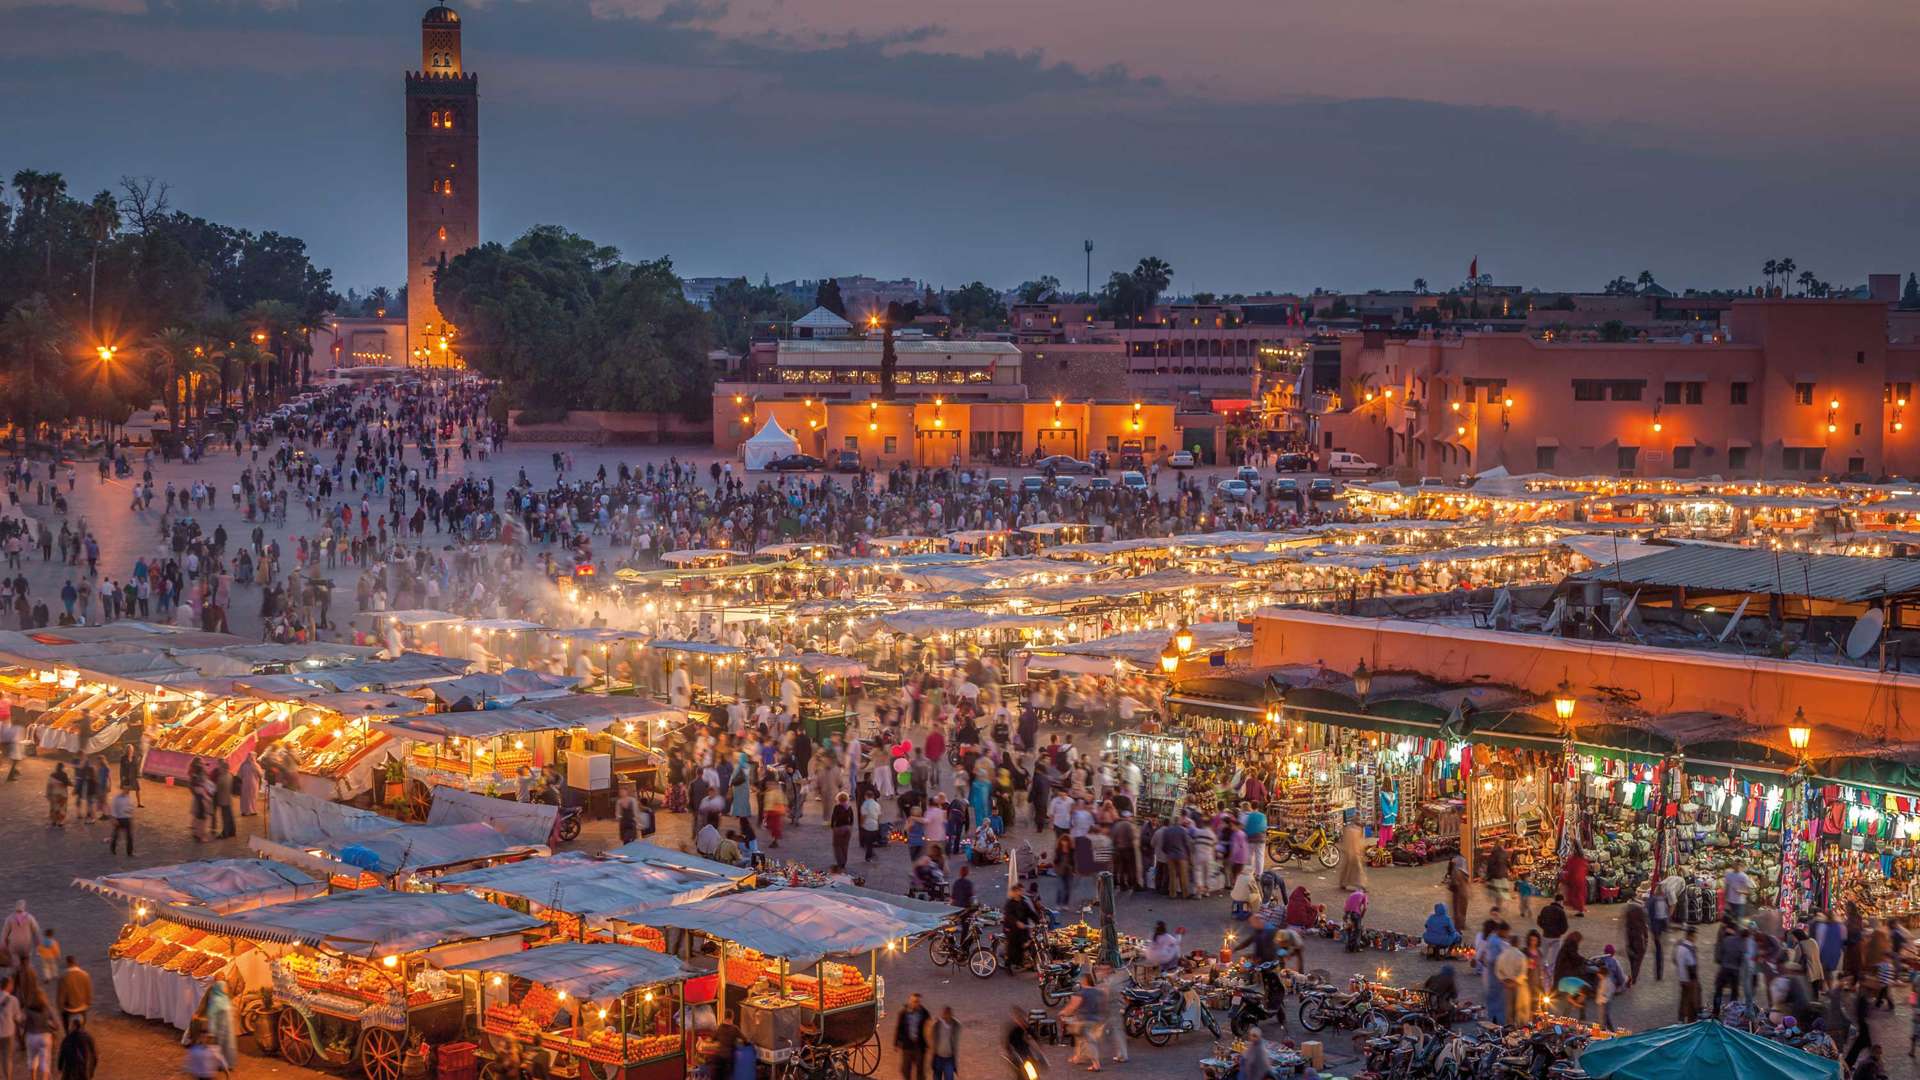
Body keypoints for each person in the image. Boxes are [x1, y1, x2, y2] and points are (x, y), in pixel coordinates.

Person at [1058, 972, 1105, 1071]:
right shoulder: (1098, 991)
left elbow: (1073, 1006)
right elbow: (1103, 1004)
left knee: (1088, 1042)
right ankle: (1078, 1058)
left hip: (1084, 1020)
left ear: (1084, 981)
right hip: (1096, 1020)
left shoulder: (1081, 992)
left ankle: (1096, 1064)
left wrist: (1063, 1013)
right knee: (1079, 1038)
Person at [892, 991, 930, 1080]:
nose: (915, 1004)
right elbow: (899, 1028)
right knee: (905, 1070)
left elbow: (929, 1029)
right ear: (910, 1001)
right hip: (907, 1046)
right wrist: (896, 1043)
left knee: (920, 1071)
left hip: (919, 1047)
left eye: (917, 1002)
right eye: (914, 1001)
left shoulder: (924, 1013)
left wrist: (929, 1043)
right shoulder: (903, 1013)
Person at [201, 979, 236, 1072]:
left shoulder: (225, 998)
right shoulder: (216, 1001)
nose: (226, 989)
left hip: (228, 1029)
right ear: (219, 988)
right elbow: (212, 1016)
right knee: (220, 1047)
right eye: (224, 987)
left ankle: (229, 1064)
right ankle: (221, 1065)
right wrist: (212, 1031)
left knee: (229, 1046)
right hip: (220, 1030)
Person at [52, 1013, 92, 1080]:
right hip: (83, 1071)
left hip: (70, 1071)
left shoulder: (68, 1039)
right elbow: (94, 1054)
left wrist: (60, 1067)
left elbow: (62, 1053)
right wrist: (91, 1069)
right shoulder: (88, 1038)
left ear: (74, 1025)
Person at [55, 957, 88, 1034]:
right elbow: (88, 993)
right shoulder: (85, 975)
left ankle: (67, 1034)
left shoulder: (63, 977)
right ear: (76, 962)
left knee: (66, 1027)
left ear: (68, 963)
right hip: (82, 1007)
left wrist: (60, 1008)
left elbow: (61, 996)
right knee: (82, 1027)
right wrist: (87, 1004)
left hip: (68, 1009)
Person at [1675, 926, 1701, 1022]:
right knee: (1692, 1002)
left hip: (1681, 978)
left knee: (1683, 999)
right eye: (1695, 936)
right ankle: (1692, 1022)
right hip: (1689, 980)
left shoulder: (1679, 946)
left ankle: (1680, 1019)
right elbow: (1691, 965)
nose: (1696, 938)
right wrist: (1694, 980)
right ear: (1691, 935)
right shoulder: (1690, 948)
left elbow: (1675, 960)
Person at [0, 973, 21, 1080]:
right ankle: (8, 1077)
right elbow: (18, 1018)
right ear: (8, 986)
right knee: (7, 1058)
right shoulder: (13, 1000)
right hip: (8, 1032)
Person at [930, 1005, 959, 1080]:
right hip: (938, 1057)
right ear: (942, 1014)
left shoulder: (955, 1024)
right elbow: (930, 1034)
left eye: (948, 1013)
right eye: (945, 1013)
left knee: (949, 1078)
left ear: (951, 1014)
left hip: (949, 1058)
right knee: (937, 1077)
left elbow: (956, 1041)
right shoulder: (937, 1024)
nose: (946, 1015)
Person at [107, 786, 133, 857]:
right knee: (116, 835)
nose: (127, 791)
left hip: (126, 818)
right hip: (119, 818)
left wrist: (129, 812)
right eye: (126, 789)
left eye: (128, 789)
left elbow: (131, 807)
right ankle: (112, 849)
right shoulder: (116, 798)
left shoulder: (129, 798)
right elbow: (113, 808)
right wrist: (114, 818)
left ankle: (129, 852)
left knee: (129, 836)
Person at [830, 792, 855, 868]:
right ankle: (844, 861)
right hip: (847, 828)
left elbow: (833, 817)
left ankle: (840, 862)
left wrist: (832, 826)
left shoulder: (837, 807)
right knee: (845, 845)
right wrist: (850, 826)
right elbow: (852, 818)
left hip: (839, 828)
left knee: (837, 846)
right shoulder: (849, 807)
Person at [1343, 887, 1368, 952]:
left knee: (1348, 930)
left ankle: (1347, 947)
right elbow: (1365, 908)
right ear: (1363, 891)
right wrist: (1361, 915)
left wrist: (1347, 915)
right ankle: (1356, 947)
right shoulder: (1364, 895)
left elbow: (1345, 906)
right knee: (1358, 931)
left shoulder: (1351, 894)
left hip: (1346, 913)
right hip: (1355, 914)